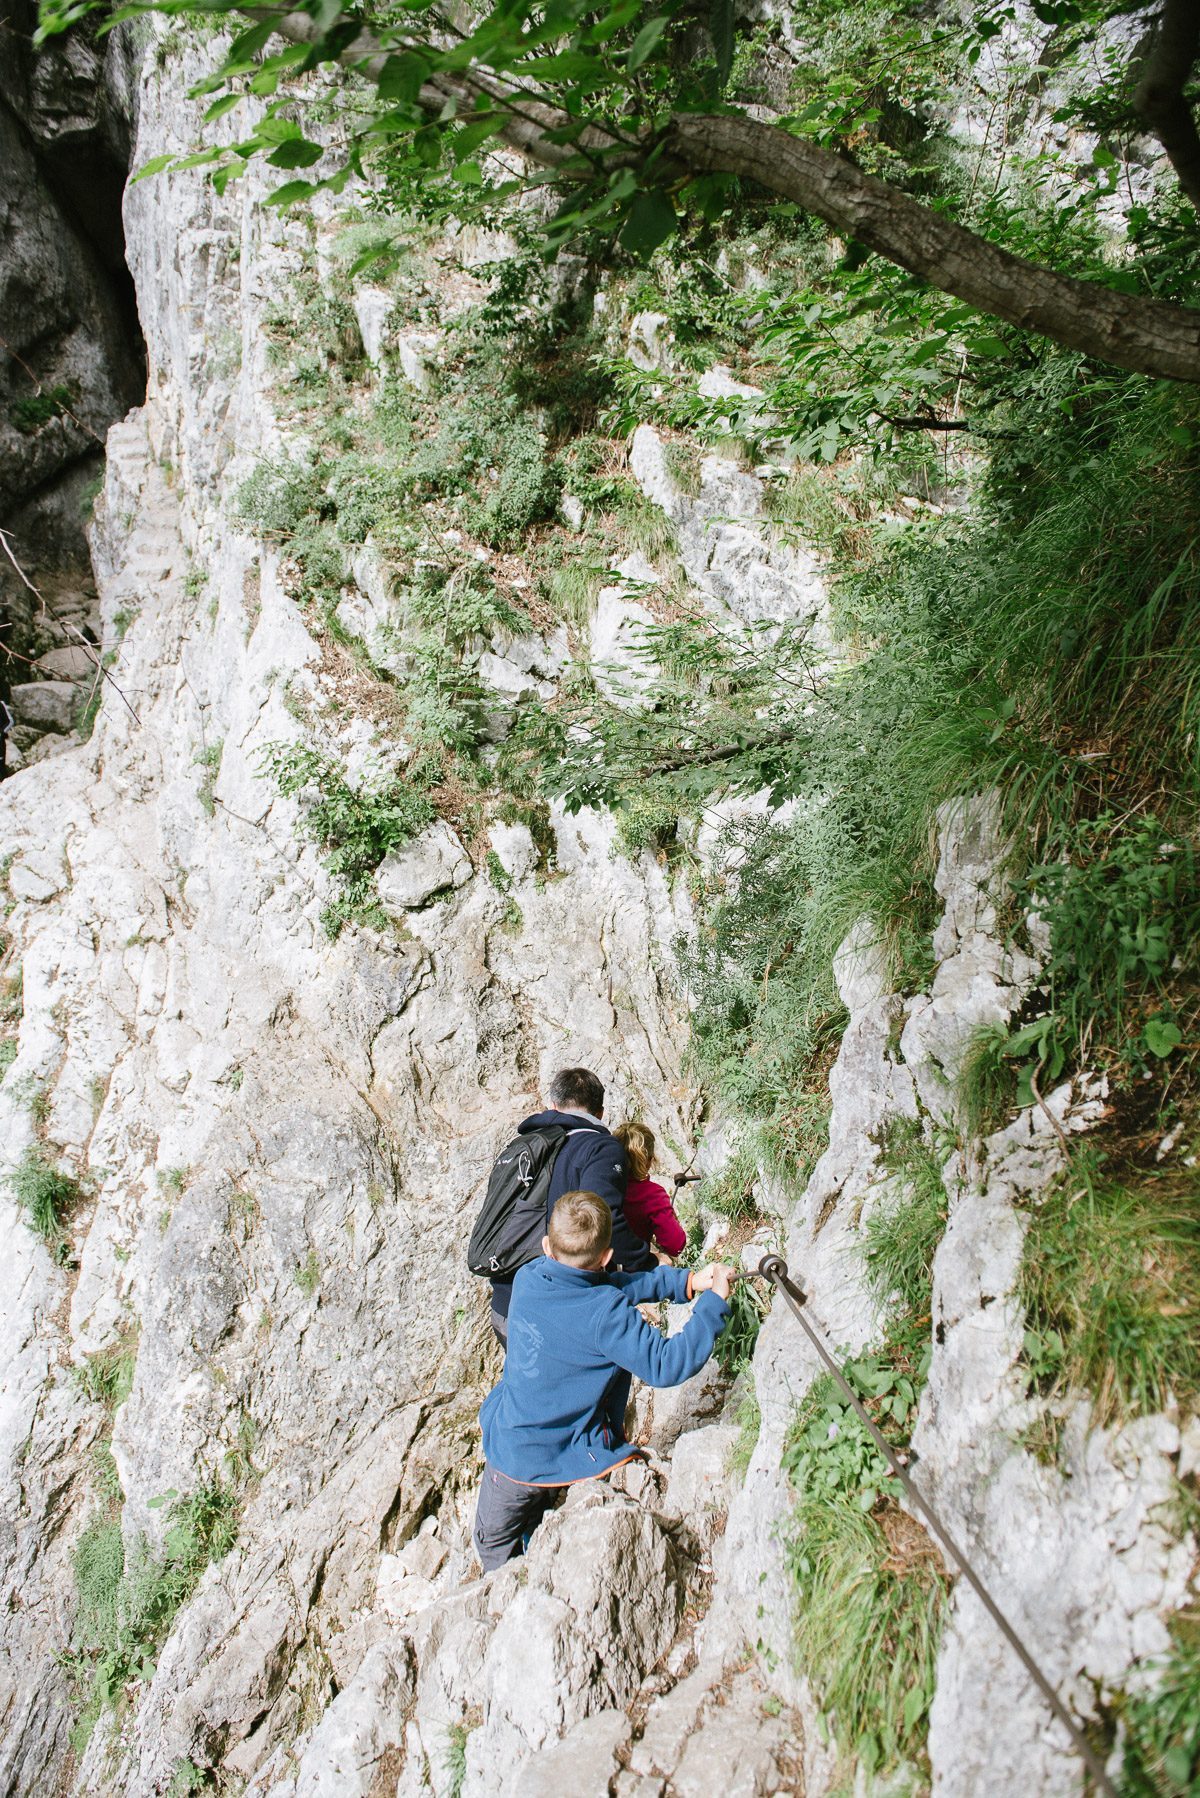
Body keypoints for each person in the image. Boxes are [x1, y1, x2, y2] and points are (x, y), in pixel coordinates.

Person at [473, 1189, 733, 1572]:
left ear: (548, 1246)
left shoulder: (529, 1277)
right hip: (553, 1450)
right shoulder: (605, 1314)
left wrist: (688, 1283)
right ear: (607, 1257)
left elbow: (604, 1289)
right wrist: (715, 1303)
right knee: (517, 1535)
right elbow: (666, 1363)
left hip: (510, 1451)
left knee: (492, 1547)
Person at [488, 1066, 654, 1348]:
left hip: (506, 1306)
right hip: (557, 1311)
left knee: (528, 1389)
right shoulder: (600, 1147)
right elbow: (605, 1217)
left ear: (553, 1106)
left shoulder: (520, 1146)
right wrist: (647, 1261)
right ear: (600, 1112)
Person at [612, 1121, 687, 1260]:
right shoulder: (652, 1195)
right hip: (634, 1271)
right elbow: (676, 1245)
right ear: (649, 1161)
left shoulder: (603, 1184)